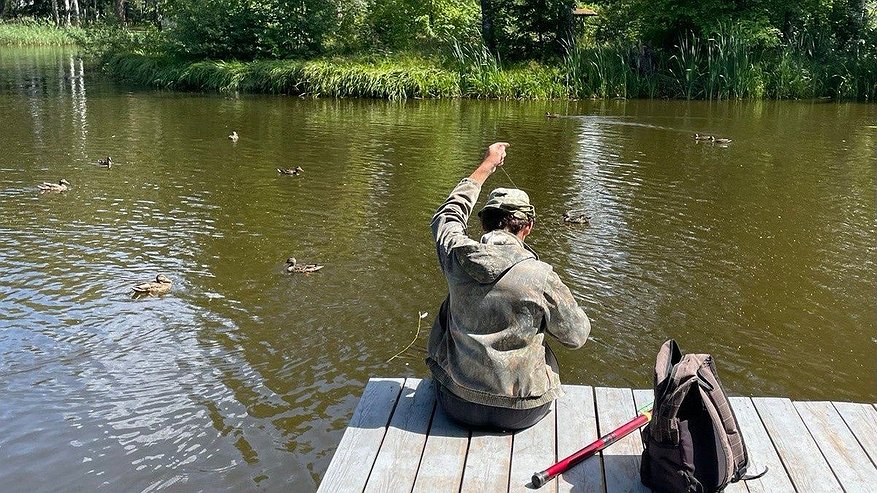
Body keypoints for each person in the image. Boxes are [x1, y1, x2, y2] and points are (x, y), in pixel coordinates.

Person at [427, 142, 591, 431]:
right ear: (528, 226)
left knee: (449, 304)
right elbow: (576, 337)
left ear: (483, 224)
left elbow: (447, 215)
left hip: (456, 403)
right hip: (522, 412)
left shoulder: (456, 255)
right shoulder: (541, 276)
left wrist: (487, 165)